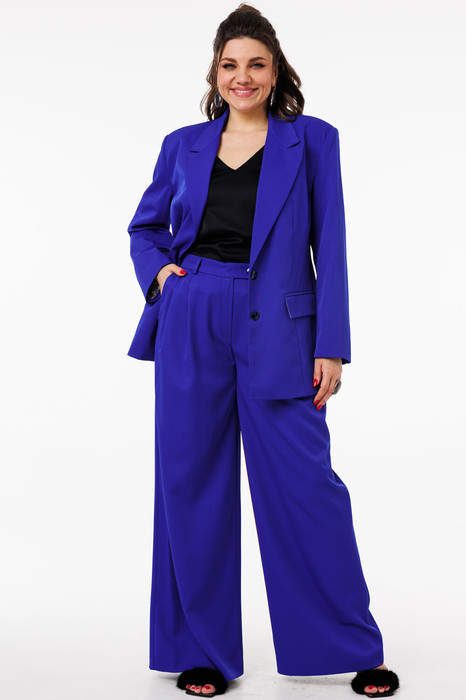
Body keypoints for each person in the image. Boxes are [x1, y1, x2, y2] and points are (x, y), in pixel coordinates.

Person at [127, 4, 400, 698]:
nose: (242, 77)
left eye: (256, 64)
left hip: (281, 329)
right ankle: (200, 650)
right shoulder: (182, 145)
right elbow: (145, 228)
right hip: (192, 317)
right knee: (190, 485)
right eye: (230, 65)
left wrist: (332, 345)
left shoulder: (313, 141)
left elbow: (330, 243)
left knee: (308, 488)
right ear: (214, 74)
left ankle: (350, 645)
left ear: (276, 72)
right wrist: (163, 278)